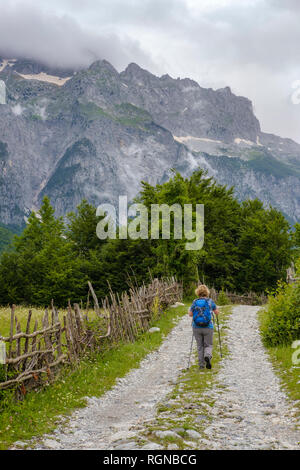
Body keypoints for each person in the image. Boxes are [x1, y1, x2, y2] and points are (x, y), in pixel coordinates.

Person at [188, 284, 219, 369]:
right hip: (208, 327)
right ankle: (207, 356)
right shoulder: (210, 301)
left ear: (198, 292)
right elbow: (216, 312)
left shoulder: (195, 302)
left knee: (199, 346)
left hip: (196, 327)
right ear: (207, 292)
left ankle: (201, 365)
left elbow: (190, 314)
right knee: (208, 345)